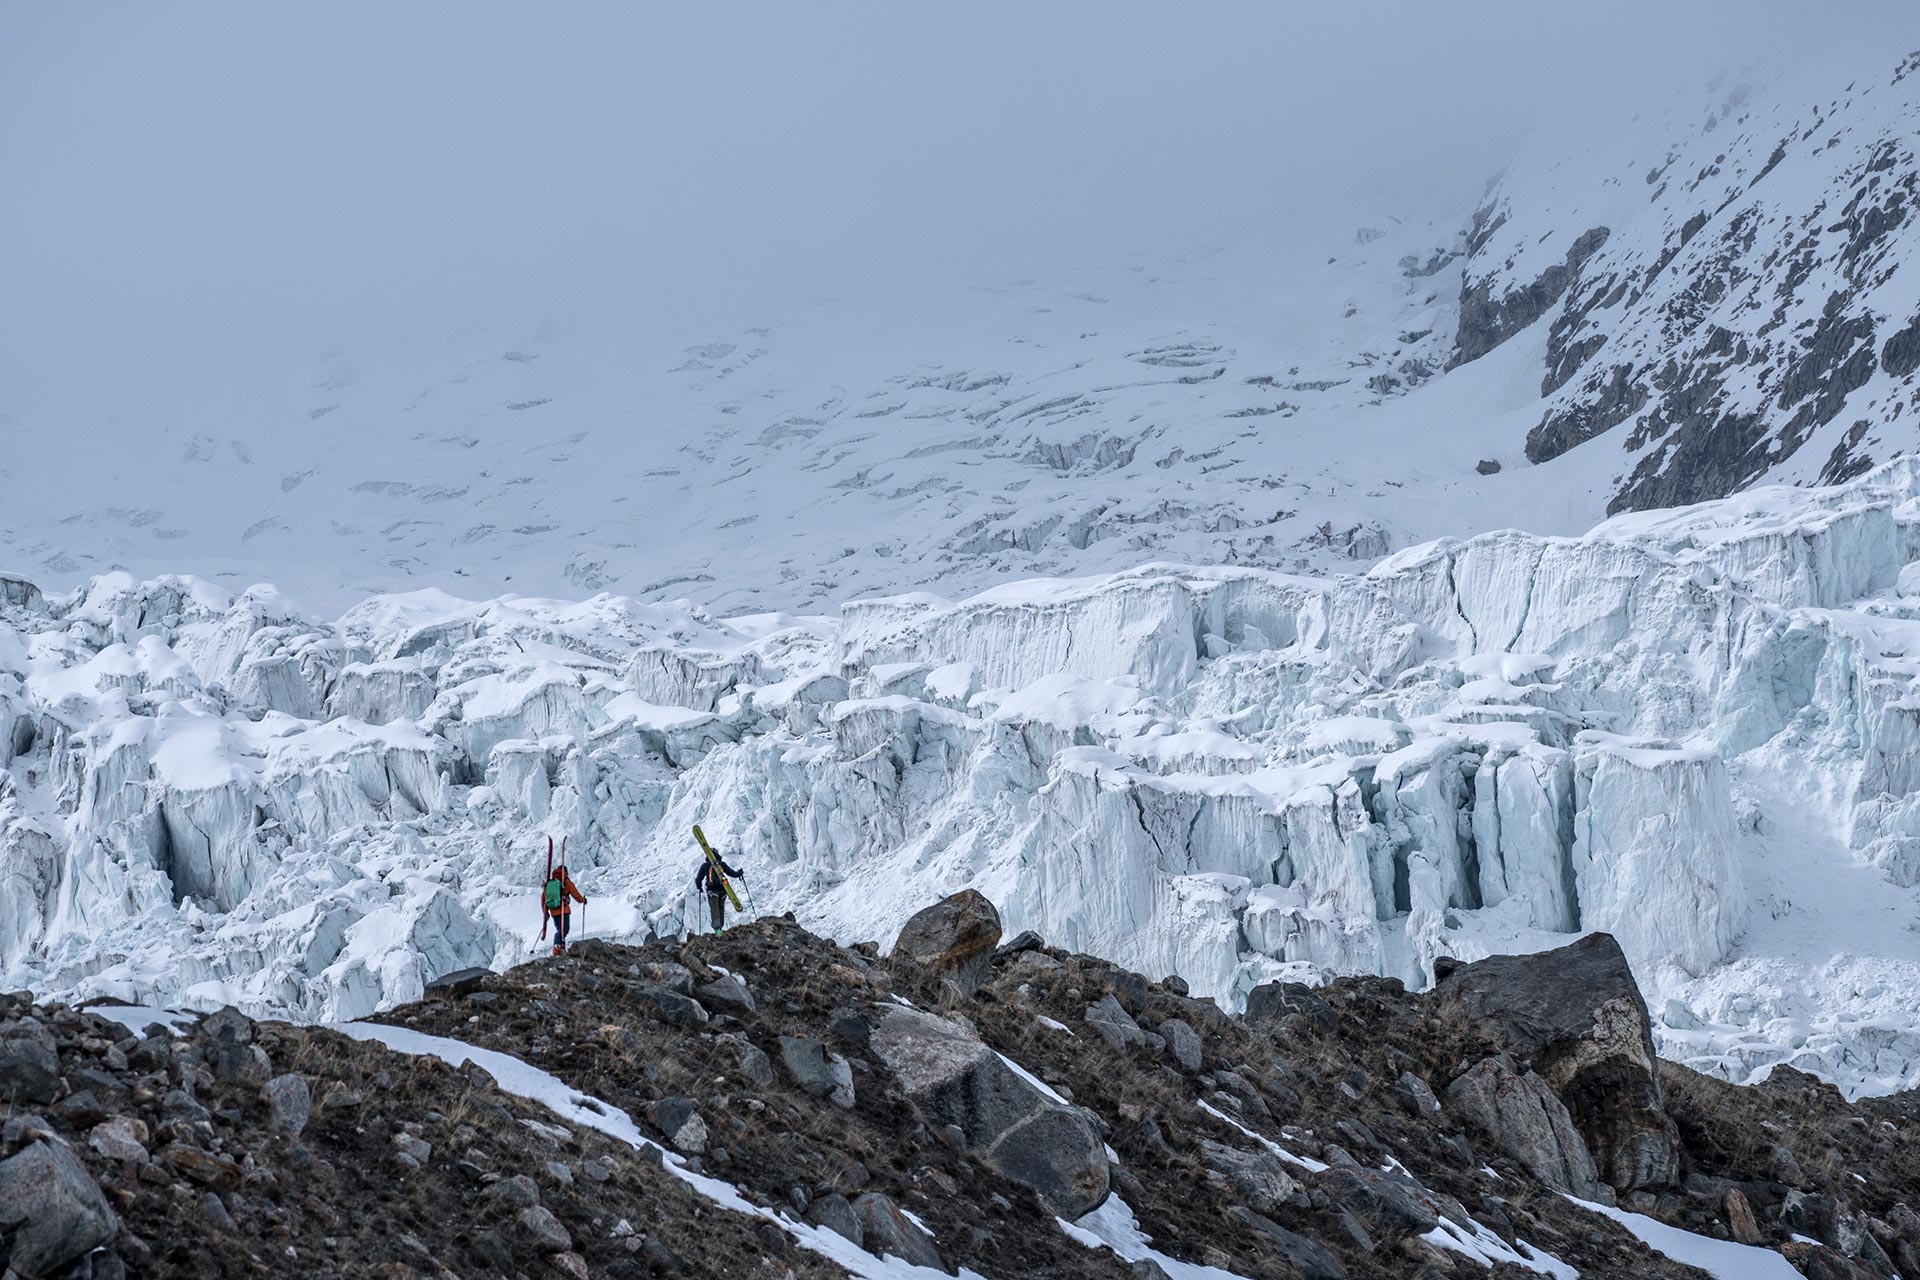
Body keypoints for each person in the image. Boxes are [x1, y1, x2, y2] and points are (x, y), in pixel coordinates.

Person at [694, 849, 744, 934]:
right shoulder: (722, 864)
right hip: (723, 890)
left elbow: (698, 879)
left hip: (712, 891)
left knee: (715, 910)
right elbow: (731, 873)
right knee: (721, 908)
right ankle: (720, 929)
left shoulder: (705, 866)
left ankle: (718, 931)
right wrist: (739, 873)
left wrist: (699, 887)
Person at [543, 863, 586, 955]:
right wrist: (582, 900)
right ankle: (557, 947)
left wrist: (545, 911)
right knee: (564, 929)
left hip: (553, 910)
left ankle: (561, 948)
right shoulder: (565, 881)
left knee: (560, 929)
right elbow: (575, 893)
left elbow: (544, 897)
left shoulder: (550, 883)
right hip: (563, 909)